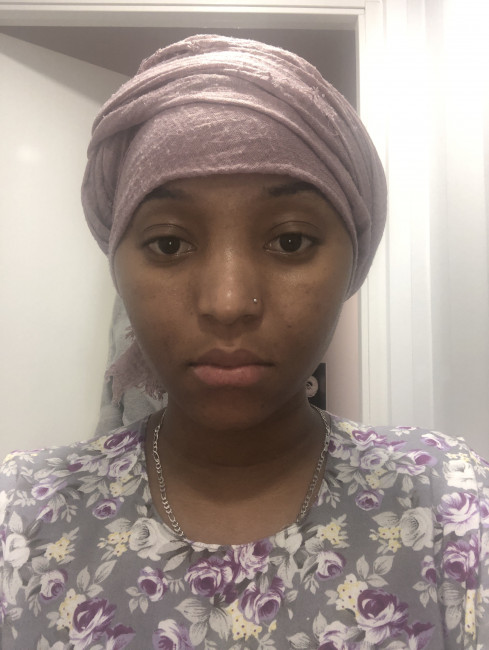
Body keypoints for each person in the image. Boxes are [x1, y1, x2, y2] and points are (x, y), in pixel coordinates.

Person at [0, 34, 487, 650]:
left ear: (353, 262)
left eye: (289, 241)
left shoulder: (450, 506)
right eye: (170, 243)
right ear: (117, 265)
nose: (228, 303)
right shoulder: (22, 515)